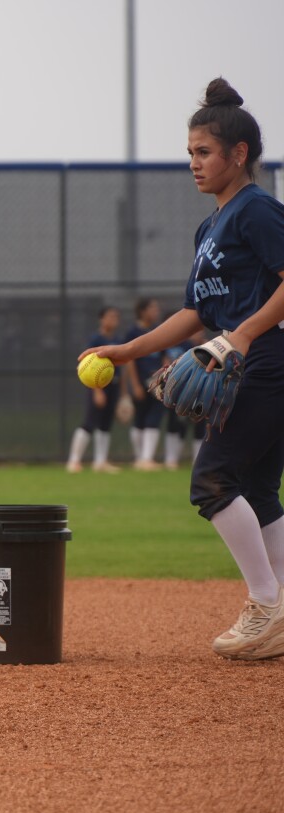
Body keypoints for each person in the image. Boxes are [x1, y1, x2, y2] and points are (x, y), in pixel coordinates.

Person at [83, 78, 284, 660]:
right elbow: (196, 312)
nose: (194, 163)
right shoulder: (209, 226)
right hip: (243, 355)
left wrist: (243, 334)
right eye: (190, 152)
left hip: (265, 356)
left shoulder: (257, 210)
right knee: (256, 488)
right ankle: (277, 609)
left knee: (211, 481)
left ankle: (266, 604)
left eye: (204, 152)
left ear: (238, 154)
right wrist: (127, 350)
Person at [66, 306, 123, 473]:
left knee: (105, 424)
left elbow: (123, 368)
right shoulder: (95, 339)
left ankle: (100, 461)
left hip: (113, 384)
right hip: (97, 387)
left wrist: (123, 393)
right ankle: (74, 461)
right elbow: (87, 367)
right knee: (89, 422)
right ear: (101, 319)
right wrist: (97, 391)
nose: (114, 320)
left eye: (116, 317)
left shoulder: (118, 340)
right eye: (110, 316)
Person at [122, 298, 165, 470]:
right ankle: (140, 458)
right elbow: (130, 360)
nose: (156, 311)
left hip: (156, 382)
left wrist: (163, 378)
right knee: (140, 418)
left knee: (154, 417)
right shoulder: (133, 332)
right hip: (140, 381)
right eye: (152, 308)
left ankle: (147, 459)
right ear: (142, 311)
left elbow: (164, 356)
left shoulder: (158, 330)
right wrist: (135, 385)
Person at [160, 327, 208, 470]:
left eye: (201, 331)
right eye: (196, 331)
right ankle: (171, 459)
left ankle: (197, 460)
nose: (199, 334)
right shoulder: (183, 347)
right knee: (177, 424)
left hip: (201, 392)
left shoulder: (207, 347)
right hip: (180, 393)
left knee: (199, 425)